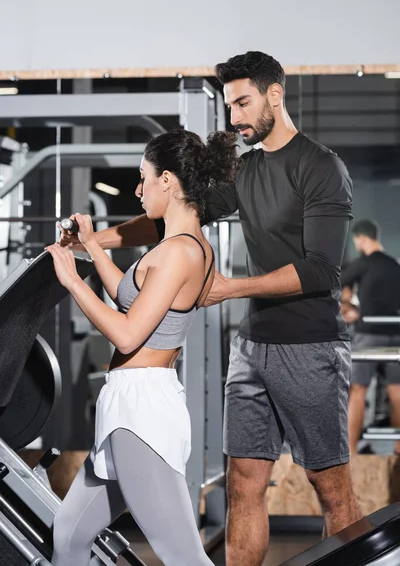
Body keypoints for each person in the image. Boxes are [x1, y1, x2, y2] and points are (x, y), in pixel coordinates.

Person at [60, 51, 363, 566]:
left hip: (311, 347)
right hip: (252, 350)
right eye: (229, 106)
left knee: (328, 486)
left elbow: (321, 271)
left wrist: (231, 289)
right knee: (243, 484)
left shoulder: (320, 167)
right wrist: (94, 242)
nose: (235, 118)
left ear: (275, 94)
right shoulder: (247, 171)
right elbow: (173, 215)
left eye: (243, 103)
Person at [47, 128, 240, 566]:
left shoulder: (182, 253)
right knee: (69, 535)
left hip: (142, 416)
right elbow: (127, 297)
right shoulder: (174, 246)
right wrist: (93, 245)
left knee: (184, 557)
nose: (138, 189)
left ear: (167, 181)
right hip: (126, 405)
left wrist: (73, 280)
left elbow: (129, 334)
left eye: (143, 178)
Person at [341, 219, 400, 455]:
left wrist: (350, 308)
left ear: (361, 239)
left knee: (357, 391)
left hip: (368, 335)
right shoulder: (395, 265)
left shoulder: (362, 265)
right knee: (397, 393)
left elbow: (339, 287)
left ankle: (351, 452)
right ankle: (398, 448)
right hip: (396, 335)